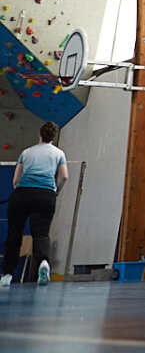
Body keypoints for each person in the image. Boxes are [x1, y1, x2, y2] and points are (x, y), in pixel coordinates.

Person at [3, 121, 65, 286]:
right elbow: (64, 176)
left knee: (14, 234)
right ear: (53, 137)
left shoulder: (26, 152)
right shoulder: (59, 153)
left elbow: (16, 180)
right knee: (41, 234)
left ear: (40, 135)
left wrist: (20, 191)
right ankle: (43, 261)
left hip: (23, 193)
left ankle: (7, 274)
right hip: (46, 195)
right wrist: (55, 190)